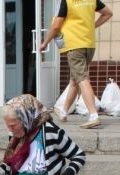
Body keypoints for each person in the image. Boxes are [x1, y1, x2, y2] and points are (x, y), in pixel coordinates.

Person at [40, 0, 113, 129]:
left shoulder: (66, 1)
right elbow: (108, 13)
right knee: (75, 79)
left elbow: (56, 26)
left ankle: (93, 115)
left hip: (74, 45)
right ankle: (63, 111)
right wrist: (92, 27)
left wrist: (45, 42)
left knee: (82, 79)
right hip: (89, 45)